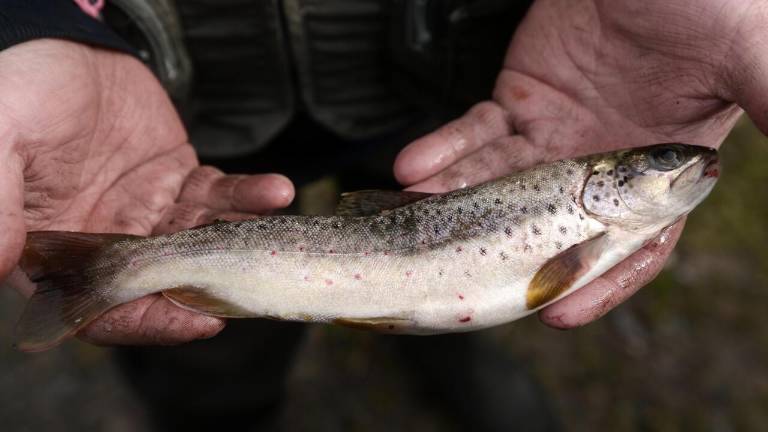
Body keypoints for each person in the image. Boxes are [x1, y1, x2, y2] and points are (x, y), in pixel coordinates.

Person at [0, 0, 763, 429]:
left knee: (427, 200)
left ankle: (445, 351)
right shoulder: (588, 229)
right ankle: (217, 403)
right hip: (176, 102)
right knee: (209, 354)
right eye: (659, 165)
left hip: (460, 74)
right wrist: (28, 20)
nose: (684, 168)